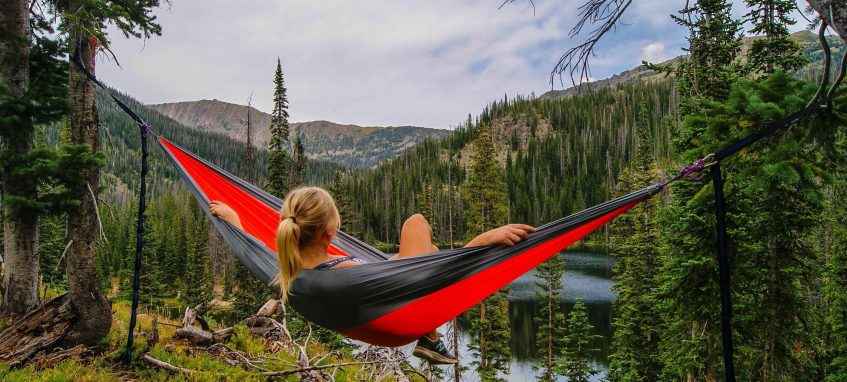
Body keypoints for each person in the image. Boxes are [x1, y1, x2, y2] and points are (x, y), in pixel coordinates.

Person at [210, 186, 536, 365]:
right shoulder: (344, 276)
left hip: (371, 306)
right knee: (416, 223)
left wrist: (234, 220)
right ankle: (429, 335)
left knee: (431, 251)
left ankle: (432, 338)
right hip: (395, 322)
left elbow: (253, 249)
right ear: (328, 232)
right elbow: (428, 281)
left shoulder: (285, 268)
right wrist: (479, 244)